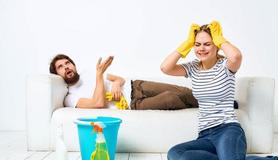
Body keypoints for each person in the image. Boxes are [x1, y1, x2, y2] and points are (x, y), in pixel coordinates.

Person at [160, 21, 278, 160]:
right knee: (176, 156)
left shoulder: (226, 66)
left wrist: (220, 38)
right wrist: (187, 43)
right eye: (197, 44)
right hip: (205, 135)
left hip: (227, 130)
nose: (201, 48)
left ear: (217, 46)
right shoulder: (193, 68)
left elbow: (236, 56)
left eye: (207, 44)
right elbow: (165, 68)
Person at [49, 54, 198, 110]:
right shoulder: (70, 98)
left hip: (136, 86)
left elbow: (119, 79)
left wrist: (115, 84)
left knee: (183, 92)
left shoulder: (88, 73)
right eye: (60, 67)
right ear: (57, 75)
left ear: (73, 65)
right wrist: (99, 74)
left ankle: (217, 102)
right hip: (131, 104)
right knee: (170, 98)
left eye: (67, 63)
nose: (66, 67)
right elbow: (98, 103)